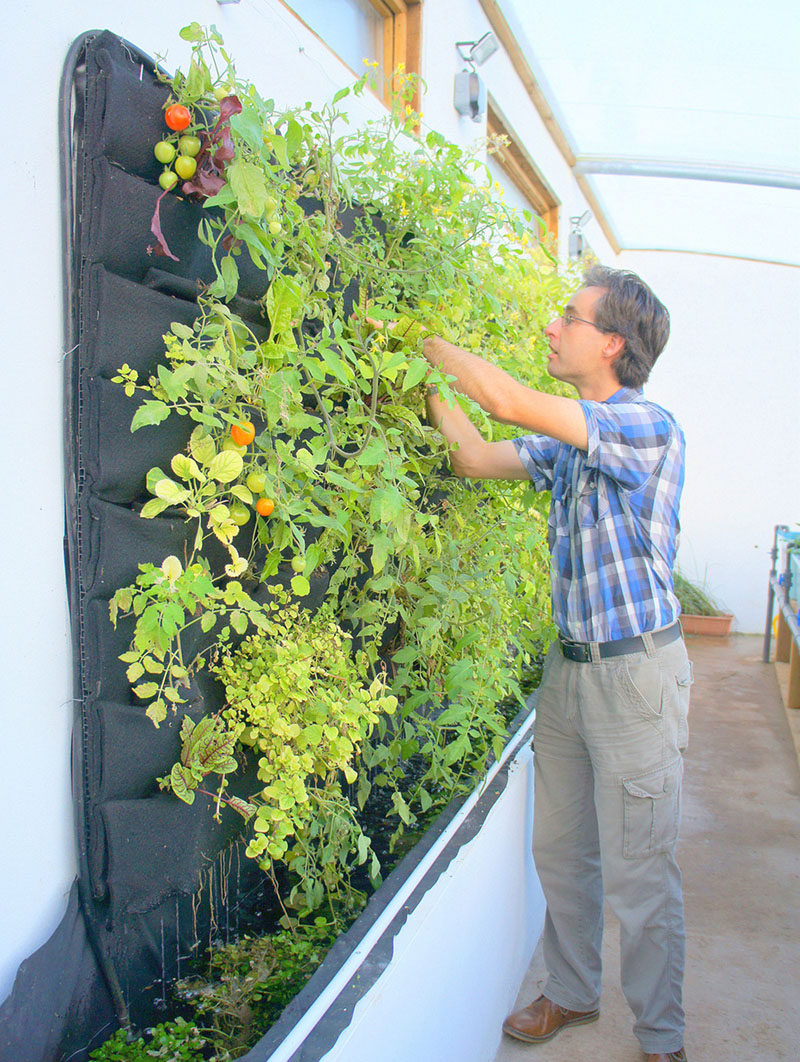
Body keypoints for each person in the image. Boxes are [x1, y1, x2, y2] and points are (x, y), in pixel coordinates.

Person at [418, 265, 692, 1062]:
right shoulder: (569, 444)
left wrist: (427, 344)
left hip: (637, 678)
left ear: (611, 342)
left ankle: (662, 1038)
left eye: (566, 317)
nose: (550, 327)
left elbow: (502, 401)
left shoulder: (646, 426)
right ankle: (571, 996)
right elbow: (473, 455)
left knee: (642, 875)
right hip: (569, 674)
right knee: (564, 855)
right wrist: (418, 382)